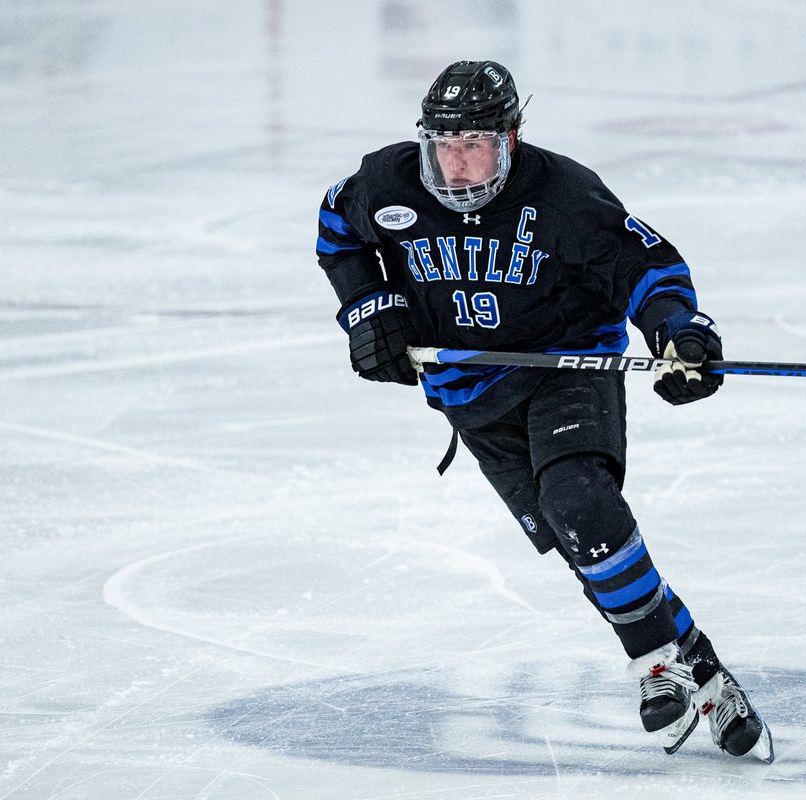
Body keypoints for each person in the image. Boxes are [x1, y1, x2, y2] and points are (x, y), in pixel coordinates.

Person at [316, 59, 773, 761]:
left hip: (565, 369)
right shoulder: (386, 184)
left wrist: (679, 331)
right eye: (445, 144)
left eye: (476, 144)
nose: (459, 164)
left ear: (513, 137)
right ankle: (703, 668)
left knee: (582, 506)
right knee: (586, 547)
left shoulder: (563, 195)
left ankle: (653, 666)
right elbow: (335, 229)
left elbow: (644, 267)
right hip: (470, 394)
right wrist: (371, 310)